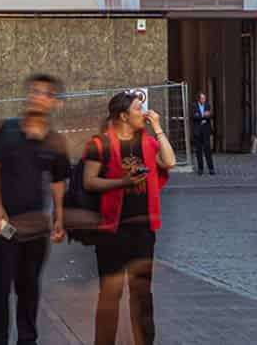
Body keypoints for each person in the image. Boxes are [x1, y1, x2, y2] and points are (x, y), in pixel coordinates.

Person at [83, 90, 176, 345]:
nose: (143, 114)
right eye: (138, 109)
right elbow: (89, 182)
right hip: (111, 231)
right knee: (110, 295)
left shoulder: (147, 141)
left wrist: (157, 126)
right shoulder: (100, 144)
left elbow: (169, 161)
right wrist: (122, 182)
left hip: (143, 230)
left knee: (142, 294)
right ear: (124, 115)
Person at [0, 73, 70, 345]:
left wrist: (59, 217)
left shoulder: (55, 141)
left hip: (35, 229)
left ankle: (27, 340)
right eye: (34, 90)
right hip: (5, 226)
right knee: (1, 288)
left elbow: (58, 180)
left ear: (54, 102)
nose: (37, 96)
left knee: (29, 288)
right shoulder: (8, 129)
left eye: (45, 93)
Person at [191, 91, 216, 175]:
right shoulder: (194, 106)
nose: (204, 100)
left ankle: (211, 169)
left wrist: (207, 115)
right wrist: (203, 117)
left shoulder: (207, 105)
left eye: (204, 98)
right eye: (202, 98)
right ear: (199, 99)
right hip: (198, 131)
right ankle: (200, 169)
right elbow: (194, 116)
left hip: (206, 130)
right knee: (199, 151)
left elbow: (211, 115)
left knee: (207, 150)